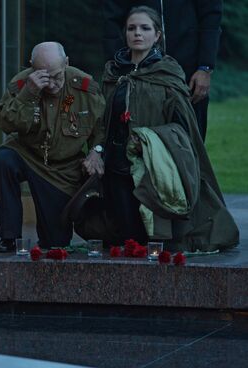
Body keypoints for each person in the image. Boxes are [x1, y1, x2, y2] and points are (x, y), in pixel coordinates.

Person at [101, 6, 238, 252]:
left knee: (157, 235)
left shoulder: (169, 74)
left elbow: (210, 14)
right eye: (132, 29)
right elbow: (102, 122)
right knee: (123, 235)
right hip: (119, 163)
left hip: (160, 158)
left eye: (144, 28)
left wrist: (205, 66)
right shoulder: (113, 74)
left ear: (157, 35)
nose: (137, 33)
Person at [0, 41, 106, 253]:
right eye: (45, 77)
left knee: (55, 243)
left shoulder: (84, 87)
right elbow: (5, 123)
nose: (52, 84)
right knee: (2, 161)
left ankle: (52, 233)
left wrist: (96, 152)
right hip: (28, 154)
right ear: (32, 66)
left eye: (57, 76)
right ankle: (9, 237)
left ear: (67, 63)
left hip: (63, 169)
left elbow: (101, 128)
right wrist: (29, 94)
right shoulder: (22, 84)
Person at [103, 0, 223, 142]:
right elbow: (111, 19)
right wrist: (120, 63)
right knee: (132, 140)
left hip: (188, 72)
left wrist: (205, 67)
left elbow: (211, 15)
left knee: (190, 140)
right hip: (137, 70)